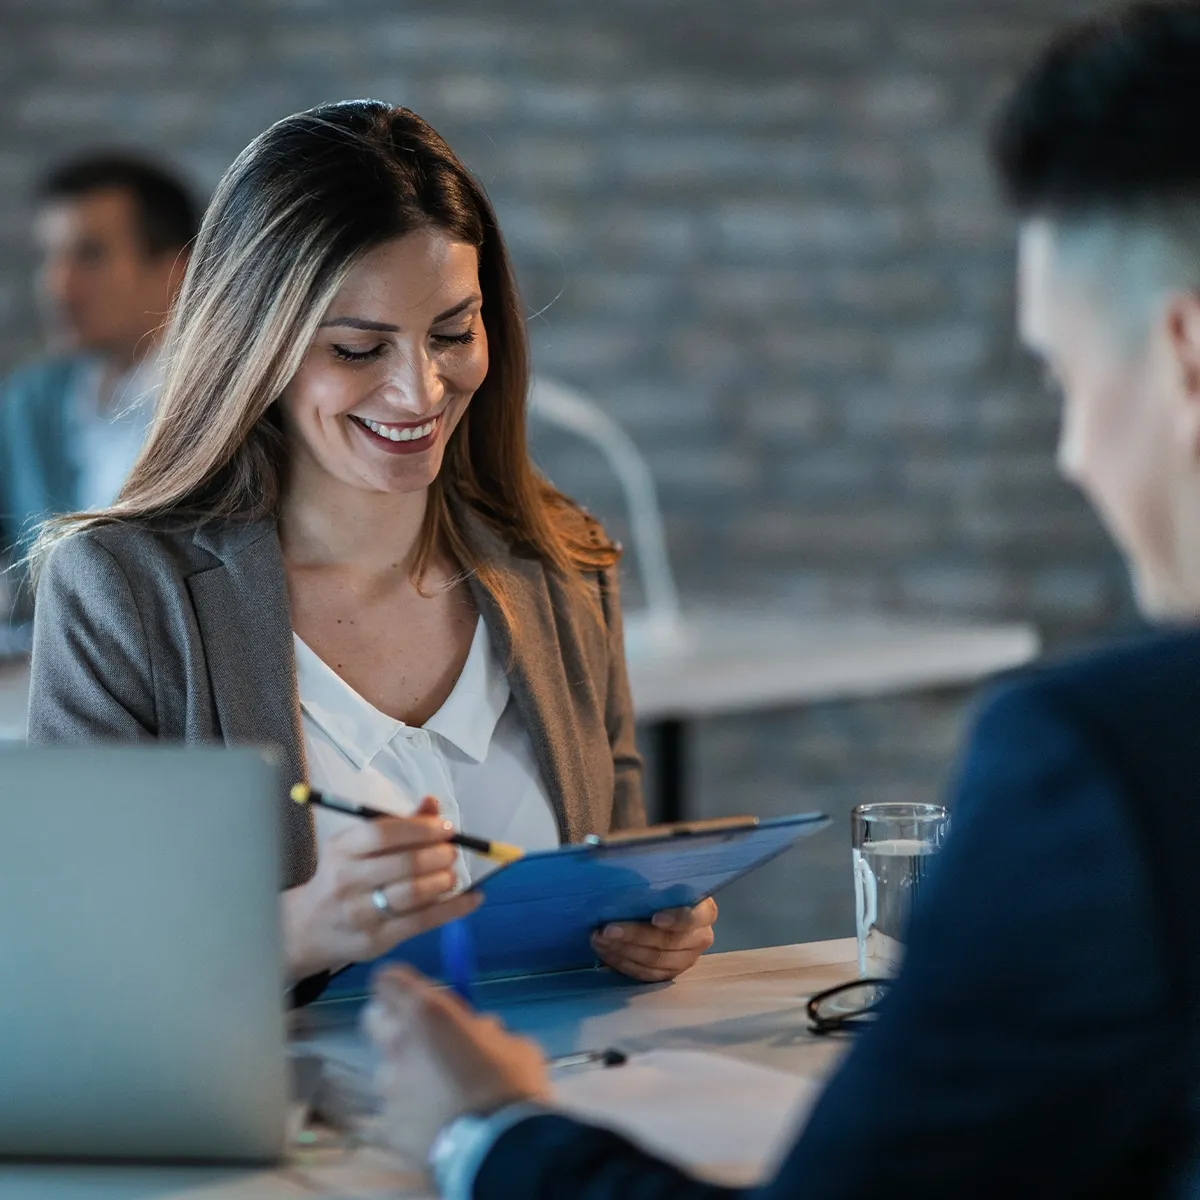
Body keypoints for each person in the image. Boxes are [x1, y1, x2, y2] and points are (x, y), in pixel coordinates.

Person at [362, 5, 1200, 1197]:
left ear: (1184, 357)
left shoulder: (1116, 762)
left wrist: (483, 1134)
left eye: (1065, 376)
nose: (1071, 452)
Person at [26, 102, 718, 999]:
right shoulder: (124, 593)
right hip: (290, 1128)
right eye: (358, 348)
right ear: (255, 345)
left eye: (452, 333)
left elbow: (613, 864)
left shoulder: (562, 563)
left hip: (547, 1114)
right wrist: (294, 932)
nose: (419, 389)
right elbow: (67, 963)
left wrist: (647, 927)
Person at [0, 155, 198, 576]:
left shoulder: (222, 404)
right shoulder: (30, 404)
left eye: (90, 255)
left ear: (174, 269)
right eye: (50, 256)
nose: (57, 283)